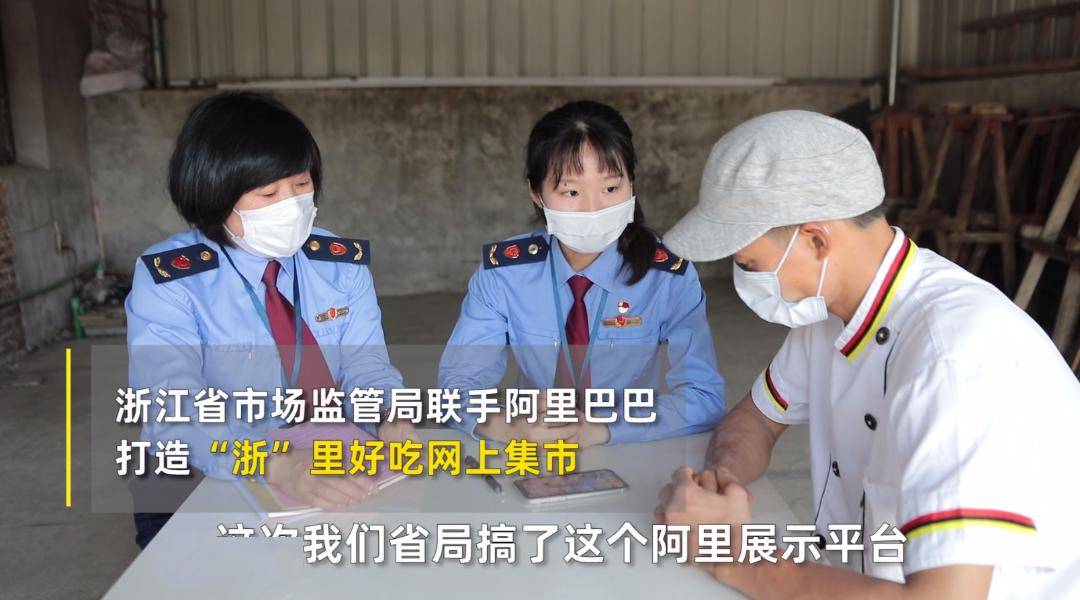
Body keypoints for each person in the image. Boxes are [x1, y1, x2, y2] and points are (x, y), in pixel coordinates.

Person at [655, 109, 1080, 598]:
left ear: (816, 240)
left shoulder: (953, 357)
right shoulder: (830, 314)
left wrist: (732, 556)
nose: (744, 277)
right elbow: (757, 419)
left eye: (748, 263)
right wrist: (721, 481)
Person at [125, 92, 415, 548]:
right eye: (268, 193)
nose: (292, 205)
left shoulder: (338, 262)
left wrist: (388, 415)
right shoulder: (172, 279)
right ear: (216, 194)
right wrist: (275, 463)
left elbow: (366, 363)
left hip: (323, 457)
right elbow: (172, 404)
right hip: (195, 473)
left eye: (301, 184)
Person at [438, 100, 726, 447]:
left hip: (630, 450)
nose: (592, 209)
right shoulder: (504, 274)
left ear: (631, 184)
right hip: (532, 450)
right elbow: (457, 386)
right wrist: (504, 426)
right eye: (571, 192)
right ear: (536, 193)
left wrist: (606, 429)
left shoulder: (667, 276)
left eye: (610, 189)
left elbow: (703, 397)